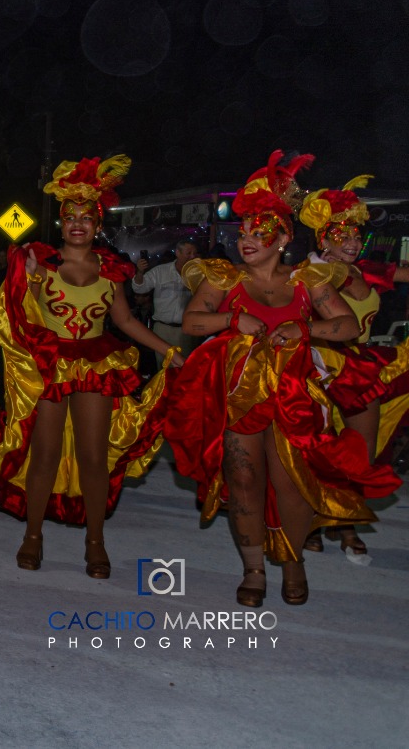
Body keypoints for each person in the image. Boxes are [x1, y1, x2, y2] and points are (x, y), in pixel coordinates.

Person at [168, 152, 400, 606]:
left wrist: (304, 329)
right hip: (240, 398)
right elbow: (192, 322)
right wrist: (232, 320)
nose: (247, 240)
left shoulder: (306, 280)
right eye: (244, 232)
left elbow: (349, 326)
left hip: (293, 398)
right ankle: (254, 569)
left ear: (284, 236)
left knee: (291, 483)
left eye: (260, 231)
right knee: (243, 480)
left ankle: (293, 560)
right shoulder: (224, 277)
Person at [0, 156, 182, 578]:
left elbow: (125, 321)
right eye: (71, 217)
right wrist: (25, 276)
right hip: (52, 366)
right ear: (61, 223)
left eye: (86, 217)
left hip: (96, 363)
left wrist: (169, 351)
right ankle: (32, 536)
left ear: (97, 224)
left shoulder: (111, 270)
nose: (78, 224)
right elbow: (18, 312)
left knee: (94, 458)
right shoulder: (43, 263)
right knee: (45, 454)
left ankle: (96, 542)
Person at [298, 176, 409, 559]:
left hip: (359, 370)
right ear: (323, 239)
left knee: (360, 453)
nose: (351, 242)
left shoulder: (365, 270)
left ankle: (345, 525)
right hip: (316, 367)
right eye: (341, 235)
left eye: (356, 235)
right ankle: (314, 519)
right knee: (316, 450)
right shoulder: (309, 274)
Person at [131, 238, 200, 368]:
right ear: (178, 253)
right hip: (163, 329)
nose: (192, 257)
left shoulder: (198, 274)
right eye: (188, 253)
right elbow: (139, 288)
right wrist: (140, 271)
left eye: (194, 253)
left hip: (187, 329)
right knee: (163, 367)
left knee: (185, 367)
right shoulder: (160, 271)